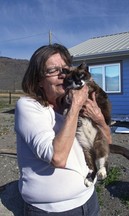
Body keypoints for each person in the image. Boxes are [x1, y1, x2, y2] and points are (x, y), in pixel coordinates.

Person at [14, 43, 111, 215]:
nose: (62, 75)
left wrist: (100, 120)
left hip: (89, 200)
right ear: (38, 80)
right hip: (52, 210)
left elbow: (106, 144)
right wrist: (75, 105)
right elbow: (57, 157)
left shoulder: (83, 106)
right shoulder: (29, 107)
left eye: (65, 69)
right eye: (53, 70)